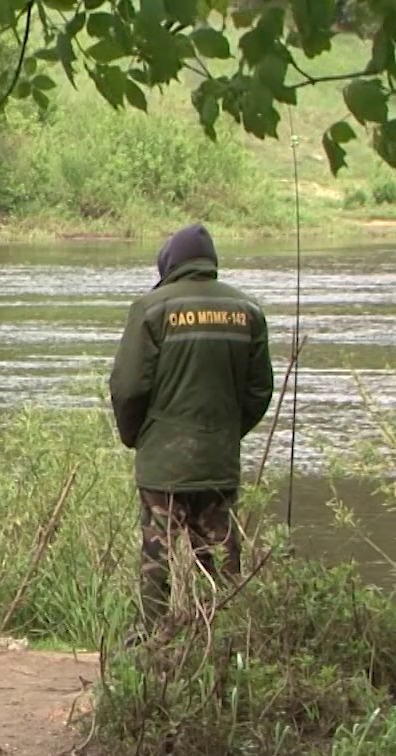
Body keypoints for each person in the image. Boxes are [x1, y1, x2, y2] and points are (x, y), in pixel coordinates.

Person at [107, 223, 273, 632]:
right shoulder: (247, 311)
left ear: (170, 264)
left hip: (163, 466)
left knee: (156, 563)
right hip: (218, 462)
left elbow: (128, 388)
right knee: (221, 564)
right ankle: (227, 642)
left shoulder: (151, 309)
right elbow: (259, 391)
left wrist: (137, 437)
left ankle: (150, 645)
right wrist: (227, 433)